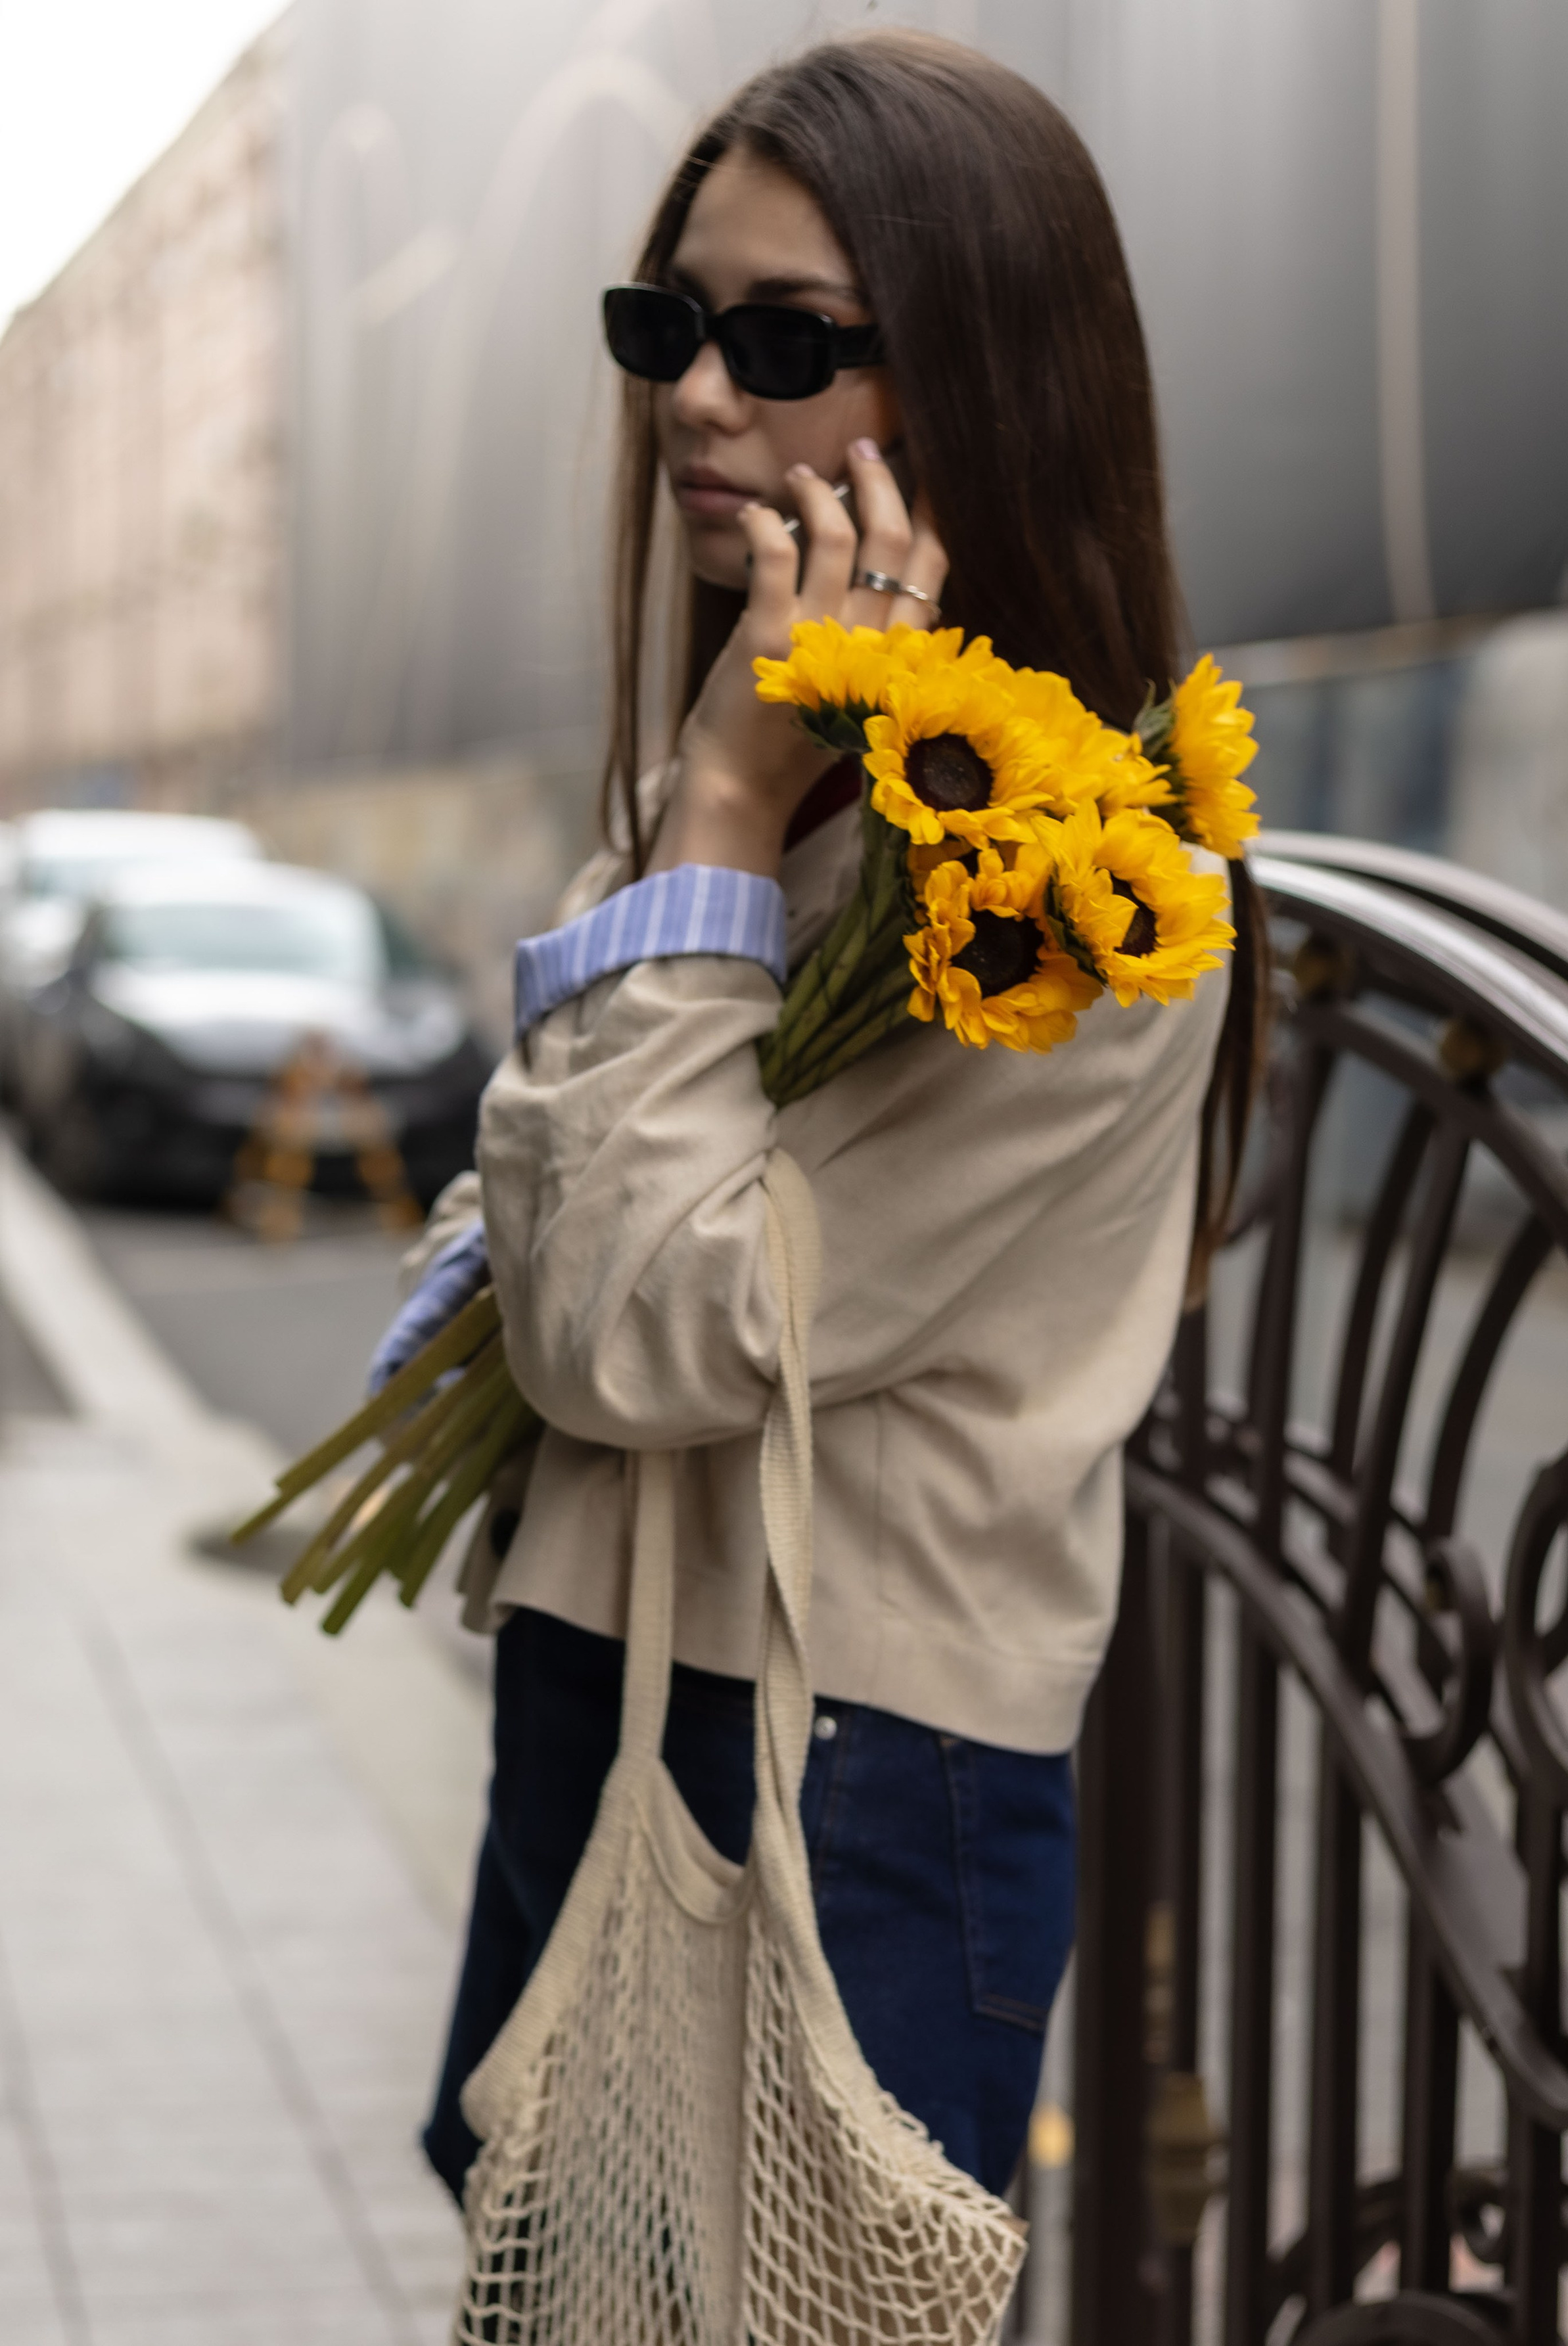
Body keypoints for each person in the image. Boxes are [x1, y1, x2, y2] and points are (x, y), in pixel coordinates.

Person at [409, 28, 1268, 2209]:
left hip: (852, 1757)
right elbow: (534, 1195)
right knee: (547, 2277)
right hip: (611, 1675)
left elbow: (632, 1323)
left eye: (788, 341)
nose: (700, 397)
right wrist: (723, 800)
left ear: (986, 380)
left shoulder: (1091, 882)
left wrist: (712, 809)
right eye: (671, 324)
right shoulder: (772, 758)